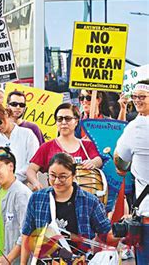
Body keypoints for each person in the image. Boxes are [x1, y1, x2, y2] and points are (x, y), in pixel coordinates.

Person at [20, 153, 111, 264]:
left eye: (63, 176)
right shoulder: (37, 199)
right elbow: (27, 233)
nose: (57, 181)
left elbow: (105, 232)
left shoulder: (90, 201)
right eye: (52, 175)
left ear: (73, 175)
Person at [26, 103, 103, 191]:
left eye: (68, 119)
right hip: (56, 197)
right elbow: (31, 169)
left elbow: (98, 160)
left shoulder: (87, 145)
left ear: (76, 121)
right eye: (59, 119)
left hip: (83, 198)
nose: (63, 122)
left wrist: (93, 162)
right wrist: (36, 183)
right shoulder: (47, 147)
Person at [114, 80, 149, 264]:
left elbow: (119, 162)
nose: (137, 100)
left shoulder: (136, 127)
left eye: (142, 97)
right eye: (134, 97)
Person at [0, 102, 40, 183]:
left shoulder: (27, 134)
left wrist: (12, 179)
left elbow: (33, 163)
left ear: (6, 114)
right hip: (0, 186)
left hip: (24, 186)